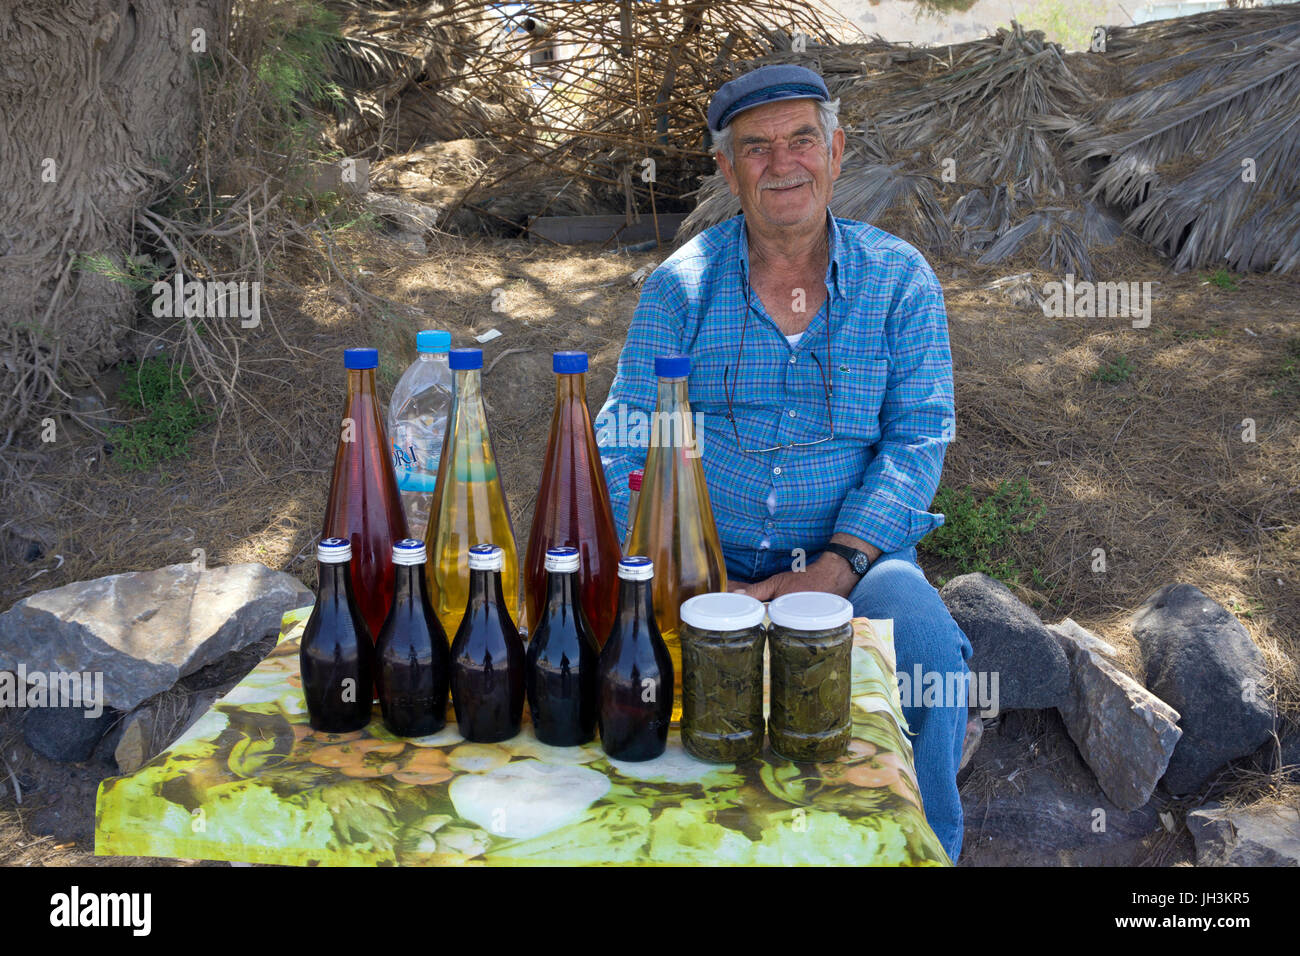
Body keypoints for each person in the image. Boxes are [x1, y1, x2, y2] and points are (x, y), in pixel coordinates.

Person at [596, 63, 973, 862]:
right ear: (729, 171)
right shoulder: (680, 290)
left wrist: (832, 569)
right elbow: (625, 442)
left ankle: (929, 850)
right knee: (614, 659)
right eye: (756, 148)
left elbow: (919, 439)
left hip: (859, 558)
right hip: (704, 556)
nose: (783, 163)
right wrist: (678, 575)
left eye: (803, 140)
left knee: (931, 653)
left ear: (836, 152)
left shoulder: (900, 281)